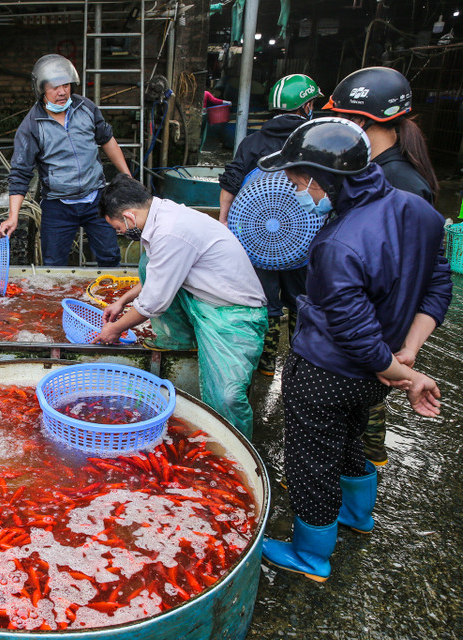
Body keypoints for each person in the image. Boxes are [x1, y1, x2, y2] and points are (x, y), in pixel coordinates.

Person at [256, 118, 451, 582]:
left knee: (310, 462)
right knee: (349, 443)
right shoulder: (417, 209)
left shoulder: (336, 243)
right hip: (375, 374)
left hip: (327, 371)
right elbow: (437, 282)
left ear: (322, 179)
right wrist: (406, 355)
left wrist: (403, 373)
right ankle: (358, 516)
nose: (295, 189)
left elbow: (354, 331)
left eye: (297, 180)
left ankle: (311, 553)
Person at [323, 66, 440, 466]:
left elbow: (431, 277)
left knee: (356, 435)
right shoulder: (369, 172)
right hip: (373, 346)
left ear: (359, 121)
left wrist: (404, 352)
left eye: (338, 118)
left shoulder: (400, 186)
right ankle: (356, 493)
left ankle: (354, 486)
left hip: (369, 345)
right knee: (353, 432)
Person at [94, 174, 268, 438]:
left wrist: (115, 329)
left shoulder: (170, 231)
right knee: (145, 264)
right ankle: (180, 342)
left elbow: (154, 301)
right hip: (202, 297)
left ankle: (236, 450)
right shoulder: (161, 214)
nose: (120, 233)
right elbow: (160, 273)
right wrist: (122, 300)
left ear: (129, 217)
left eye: (118, 227)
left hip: (232, 312)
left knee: (226, 398)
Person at [218, 74, 324, 376]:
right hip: (305, 238)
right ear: (305, 107)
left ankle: (265, 364)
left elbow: (231, 183)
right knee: (302, 300)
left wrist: (225, 220)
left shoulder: (254, 142)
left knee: (265, 300)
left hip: (256, 238)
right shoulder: (314, 140)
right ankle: (302, 360)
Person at [0, 54, 131, 267]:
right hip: (58, 205)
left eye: (66, 85)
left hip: (95, 198)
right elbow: (20, 173)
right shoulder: (31, 125)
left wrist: (127, 176)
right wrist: (13, 216)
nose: (62, 92)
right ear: (41, 90)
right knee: (53, 265)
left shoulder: (85, 107)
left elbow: (107, 140)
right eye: (54, 87)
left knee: (110, 256)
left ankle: (108, 298)